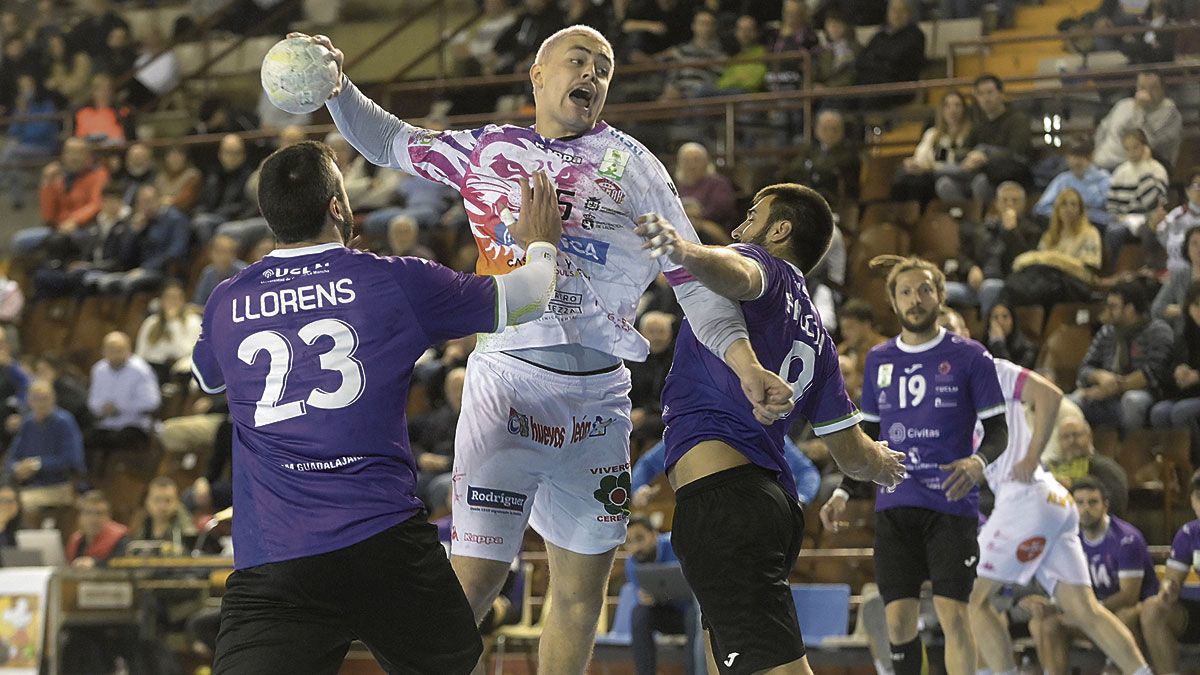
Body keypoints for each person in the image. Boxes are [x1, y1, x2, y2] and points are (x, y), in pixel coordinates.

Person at [309, 25, 775, 672]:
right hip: (508, 384)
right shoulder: (489, 150)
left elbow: (691, 278)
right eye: (578, 60)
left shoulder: (634, 165)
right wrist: (336, 89)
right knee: (471, 582)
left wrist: (745, 362)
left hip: (598, 401)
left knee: (581, 594)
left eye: (604, 67)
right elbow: (389, 140)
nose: (593, 73)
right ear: (537, 74)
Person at [191, 140, 562, 673]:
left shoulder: (227, 299)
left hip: (275, 557)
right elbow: (528, 296)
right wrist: (541, 244)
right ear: (339, 208)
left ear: (267, 217)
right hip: (383, 543)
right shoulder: (395, 280)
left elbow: (207, 377)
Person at [635, 183, 905, 674]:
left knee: (778, 669)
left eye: (752, 216)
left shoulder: (765, 269)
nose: (738, 228)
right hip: (764, 504)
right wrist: (883, 462)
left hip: (726, 502)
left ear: (780, 230)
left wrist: (683, 250)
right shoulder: (819, 337)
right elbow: (851, 455)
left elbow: (738, 272)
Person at [933, 312, 1154, 675]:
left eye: (951, 327)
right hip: (1047, 502)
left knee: (969, 597)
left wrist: (1032, 454)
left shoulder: (989, 368)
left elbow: (1049, 394)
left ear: (967, 333)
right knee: (1085, 610)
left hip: (1027, 495)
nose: (945, 334)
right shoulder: (946, 393)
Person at [820, 255, 1008, 675]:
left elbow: (999, 430)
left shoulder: (972, 356)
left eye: (924, 290)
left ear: (939, 295)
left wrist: (978, 463)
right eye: (905, 292)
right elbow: (865, 438)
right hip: (895, 504)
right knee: (897, 621)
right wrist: (843, 490)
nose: (915, 299)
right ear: (892, 301)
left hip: (951, 504)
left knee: (954, 615)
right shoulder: (879, 360)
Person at [1026, 477, 1158, 675]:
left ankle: (1127, 669)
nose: (1085, 508)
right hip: (1088, 610)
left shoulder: (1127, 539)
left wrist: (1086, 613)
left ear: (1105, 505)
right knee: (1047, 624)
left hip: (1131, 610)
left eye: (1093, 502)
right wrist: (1052, 605)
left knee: (1125, 615)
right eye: (1079, 503)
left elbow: (1129, 596)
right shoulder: (1069, 538)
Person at [1071, 280, 1174, 432]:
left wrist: (1114, 388)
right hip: (1105, 393)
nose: (1107, 311)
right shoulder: (1107, 332)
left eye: (1113, 306)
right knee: (1070, 402)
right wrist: (1099, 376)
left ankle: (1131, 450)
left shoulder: (1157, 331)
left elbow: (1153, 373)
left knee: (1132, 400)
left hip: (1143, 394)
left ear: (1130, 309)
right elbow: (1084, 369)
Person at [1138, 469, 1200, 674]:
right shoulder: (1189, 534)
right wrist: (1168, 588)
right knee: (1153, 609)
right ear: (1193, 501)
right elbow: (1172, 579)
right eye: (1199, 498)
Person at [937, 74, 1031, 207]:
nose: (986, 98)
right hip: (975, 172)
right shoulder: (978, 124)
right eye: (981, 94)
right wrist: (971, 156)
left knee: (980, 182)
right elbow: (961, 150)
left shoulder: (1017, 120)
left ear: (1001, 94)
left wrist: (985, 156)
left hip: (1007, 175)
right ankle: (963, 219)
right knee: (944, 183)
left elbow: (1017, 152)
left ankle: (984, 220)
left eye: (990, 93)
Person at [623, 515, 698, 675]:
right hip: (670, 616)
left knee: (694, 614)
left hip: (696, 615)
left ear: (653, 534)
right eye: (629, 542)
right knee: (640, 613)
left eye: (640, 538)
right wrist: (646, 599)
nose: (635, 547)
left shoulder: (677, 545)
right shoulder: (631, 564)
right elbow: (641, 597)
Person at [1003, 188, 1102, 308]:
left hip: (1073, 283)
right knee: (1014, 282)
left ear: (1080, 210)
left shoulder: (1090, 233)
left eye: (1073, 204)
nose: (1068, 209)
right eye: (1064, 204)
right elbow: (1040, 261)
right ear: (1057, 209)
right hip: (1048, 279)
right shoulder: (1049, 235)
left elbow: (1088, 269)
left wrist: (1053, 259)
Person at [4, 379, 84, 516]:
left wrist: (37, 465)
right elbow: (12, 458)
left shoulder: (64, 422)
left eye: (45, 398)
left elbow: (72, 459)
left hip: (59, 485)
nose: (40, 403)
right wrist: (17, 467)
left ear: (53, 399)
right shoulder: (28, 423)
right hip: (27, 485)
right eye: (35, 398)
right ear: (29, 400)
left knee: (23, 504)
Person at [85, 331, 160, 477]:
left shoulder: (141, 371)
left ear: (129, 350)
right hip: (106, 423)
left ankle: (118, 481)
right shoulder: (98, 370)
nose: (115, 355)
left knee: (118, 440)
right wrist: (102, 408)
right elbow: (92, 401)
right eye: (111, 351)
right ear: (103, 351)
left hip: (134, 424)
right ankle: (90, 480)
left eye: (119, 351)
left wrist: (120, 408)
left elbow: (151, 402)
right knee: (85, 439)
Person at [891, 90, 972, 206]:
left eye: (957, 105)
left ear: (964, 109)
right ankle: (899, 218)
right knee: (902, 180)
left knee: (920, 183)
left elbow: (956, 162)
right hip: (928, 172)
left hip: (952, 176)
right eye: (947, 106)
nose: (952, 110)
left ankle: (917, 218)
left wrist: (930, 167)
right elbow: (921, 157)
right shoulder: (932, 133)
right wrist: (913, 163)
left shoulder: (969, 135)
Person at [1149, 280, 1200, 462]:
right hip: (1185, 394)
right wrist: (1177, 372)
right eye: (1196, 305)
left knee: (1181, 412)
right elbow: (1165, 370)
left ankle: (1192, 464)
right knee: (1159, 411)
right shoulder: (1183, 334)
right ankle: (1169, 466)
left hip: (1193, 397)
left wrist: (1197, 377)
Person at [1092, 71, 1182, 171]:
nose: (1147, 92)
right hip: (1103, 163)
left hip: (1137, 167)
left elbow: (1151, 144)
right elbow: (1103, 129)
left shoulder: (1169, 113)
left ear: (1163, 89)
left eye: (1153, 88)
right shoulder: (1123, 105)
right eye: (1142, 88)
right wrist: (1097, 152)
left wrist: (1140, 111)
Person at [1104, 128, 1169, 268]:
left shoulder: (1157, 170)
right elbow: (1112, 204)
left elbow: (1151, 203)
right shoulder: (1120, 172)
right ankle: (1113, 268)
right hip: (1124, 219)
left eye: (1136, 147)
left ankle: (1153, 268)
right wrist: (1118, 216)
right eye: (1127, 149)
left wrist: (1145, 169)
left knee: (1149, 229)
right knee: (1113, 229)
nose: (1132, 152)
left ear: (1145, 147)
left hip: (1149, 217)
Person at [1045, 415, 1130, 517]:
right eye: (1065, 437)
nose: (1071, 441)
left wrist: (1070, 489)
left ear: (1089, 436)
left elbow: (1116, 506)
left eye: (1076, 435)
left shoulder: (1106, 468)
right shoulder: (1048, 468)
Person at [1033, 136, 1112, 229]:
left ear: (1090, 158)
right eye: (1072, 156)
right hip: (1065, 228)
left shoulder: (1104, 179)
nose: (1076, 161)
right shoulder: (1062, 180)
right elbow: (1041, 208)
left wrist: (1082, 215)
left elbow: (1112, 212)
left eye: (1080, 156)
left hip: (1095, 226)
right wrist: (1065, 214)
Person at [135, 280, 202, 384]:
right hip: (155, 368)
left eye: (176, 298)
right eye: (168, 297)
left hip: (180, 368)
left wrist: (172, 324)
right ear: (161, 301)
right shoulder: (151, 322)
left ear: (183, 301)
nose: (172, 302)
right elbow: (141, 353)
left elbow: (187, 351)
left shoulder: (193, 321)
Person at [67, 489, 129, 568]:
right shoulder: (76, 541)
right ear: (80, 517)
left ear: (109, 517)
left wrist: (95, 563)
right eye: (88, 513)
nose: (93, 519)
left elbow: (121, 565)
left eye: (99, 513)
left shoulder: (120, 538)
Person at [191, 234, 247, 308]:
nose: (223, 257)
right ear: (211, 254)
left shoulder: (244, 272)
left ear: (234, 255)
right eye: (219, 252)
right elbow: (198, 304)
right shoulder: (208, 273)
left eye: (228, 252)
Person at [982, 301, 1038, 369]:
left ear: (1013, 321)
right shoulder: (982, 348)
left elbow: (1012, 375)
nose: (1000, 321)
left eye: (1005, 317)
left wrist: (998, 343)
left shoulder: (1028, 349)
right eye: (995, 317)